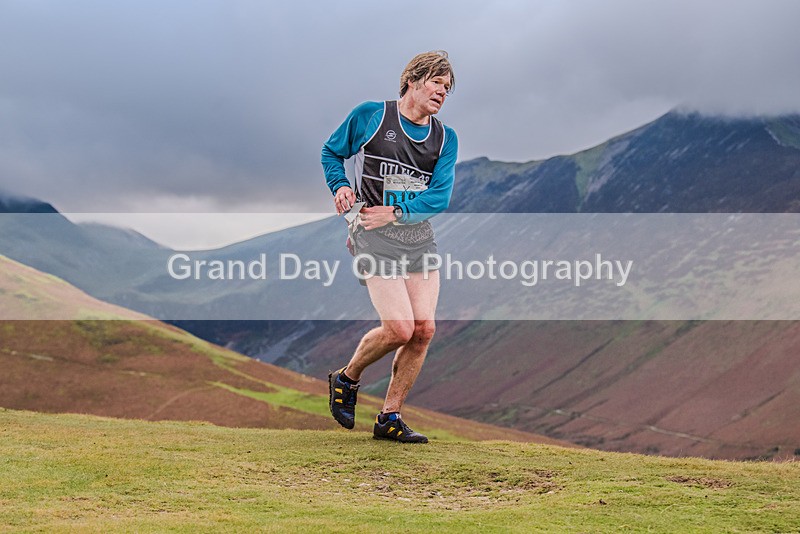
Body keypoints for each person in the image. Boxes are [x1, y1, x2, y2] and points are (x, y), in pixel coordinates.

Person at [321, 51, 458, 443]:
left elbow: (439, 197)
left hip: (418, 239)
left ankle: (390, 417)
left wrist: (397, 213)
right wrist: (340, 186)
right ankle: (346, 378)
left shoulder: (444, 138)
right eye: (436, 82)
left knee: (423, 330)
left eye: (447, 88)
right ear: (412, 80)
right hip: (371, 236)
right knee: (399, 328)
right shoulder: (371, 116)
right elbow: (331, 152)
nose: (442, 92)